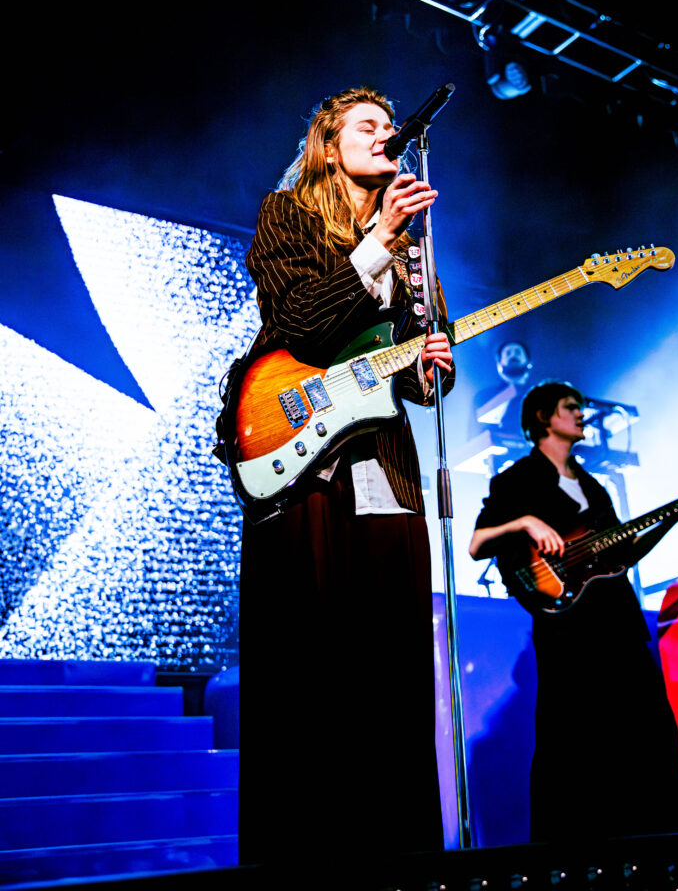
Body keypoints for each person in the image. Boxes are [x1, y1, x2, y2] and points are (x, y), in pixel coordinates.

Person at [238, 86, 454, 867]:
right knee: (315, 675)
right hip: (308, 472)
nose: (387, 135)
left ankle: (401, 859)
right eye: (368, 125)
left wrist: (433, 363)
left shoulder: (416, 239)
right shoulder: (286, 215)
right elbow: (299, 324)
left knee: (394, 678)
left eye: (391, 128)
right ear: (329, 144)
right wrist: (377, 239)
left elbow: (430, 368)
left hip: (387, 469)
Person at [469, 379, 678, 841]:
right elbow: (478, 543)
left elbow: (623, 552)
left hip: (616, 622)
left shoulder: (594, 486)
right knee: (572, 739)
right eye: (570, 407)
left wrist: (675, 515)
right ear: (543, 418)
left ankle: (659, 841)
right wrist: (527, 521)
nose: (581, 415)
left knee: (647, 733)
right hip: (567, 630)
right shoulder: (517, 479)